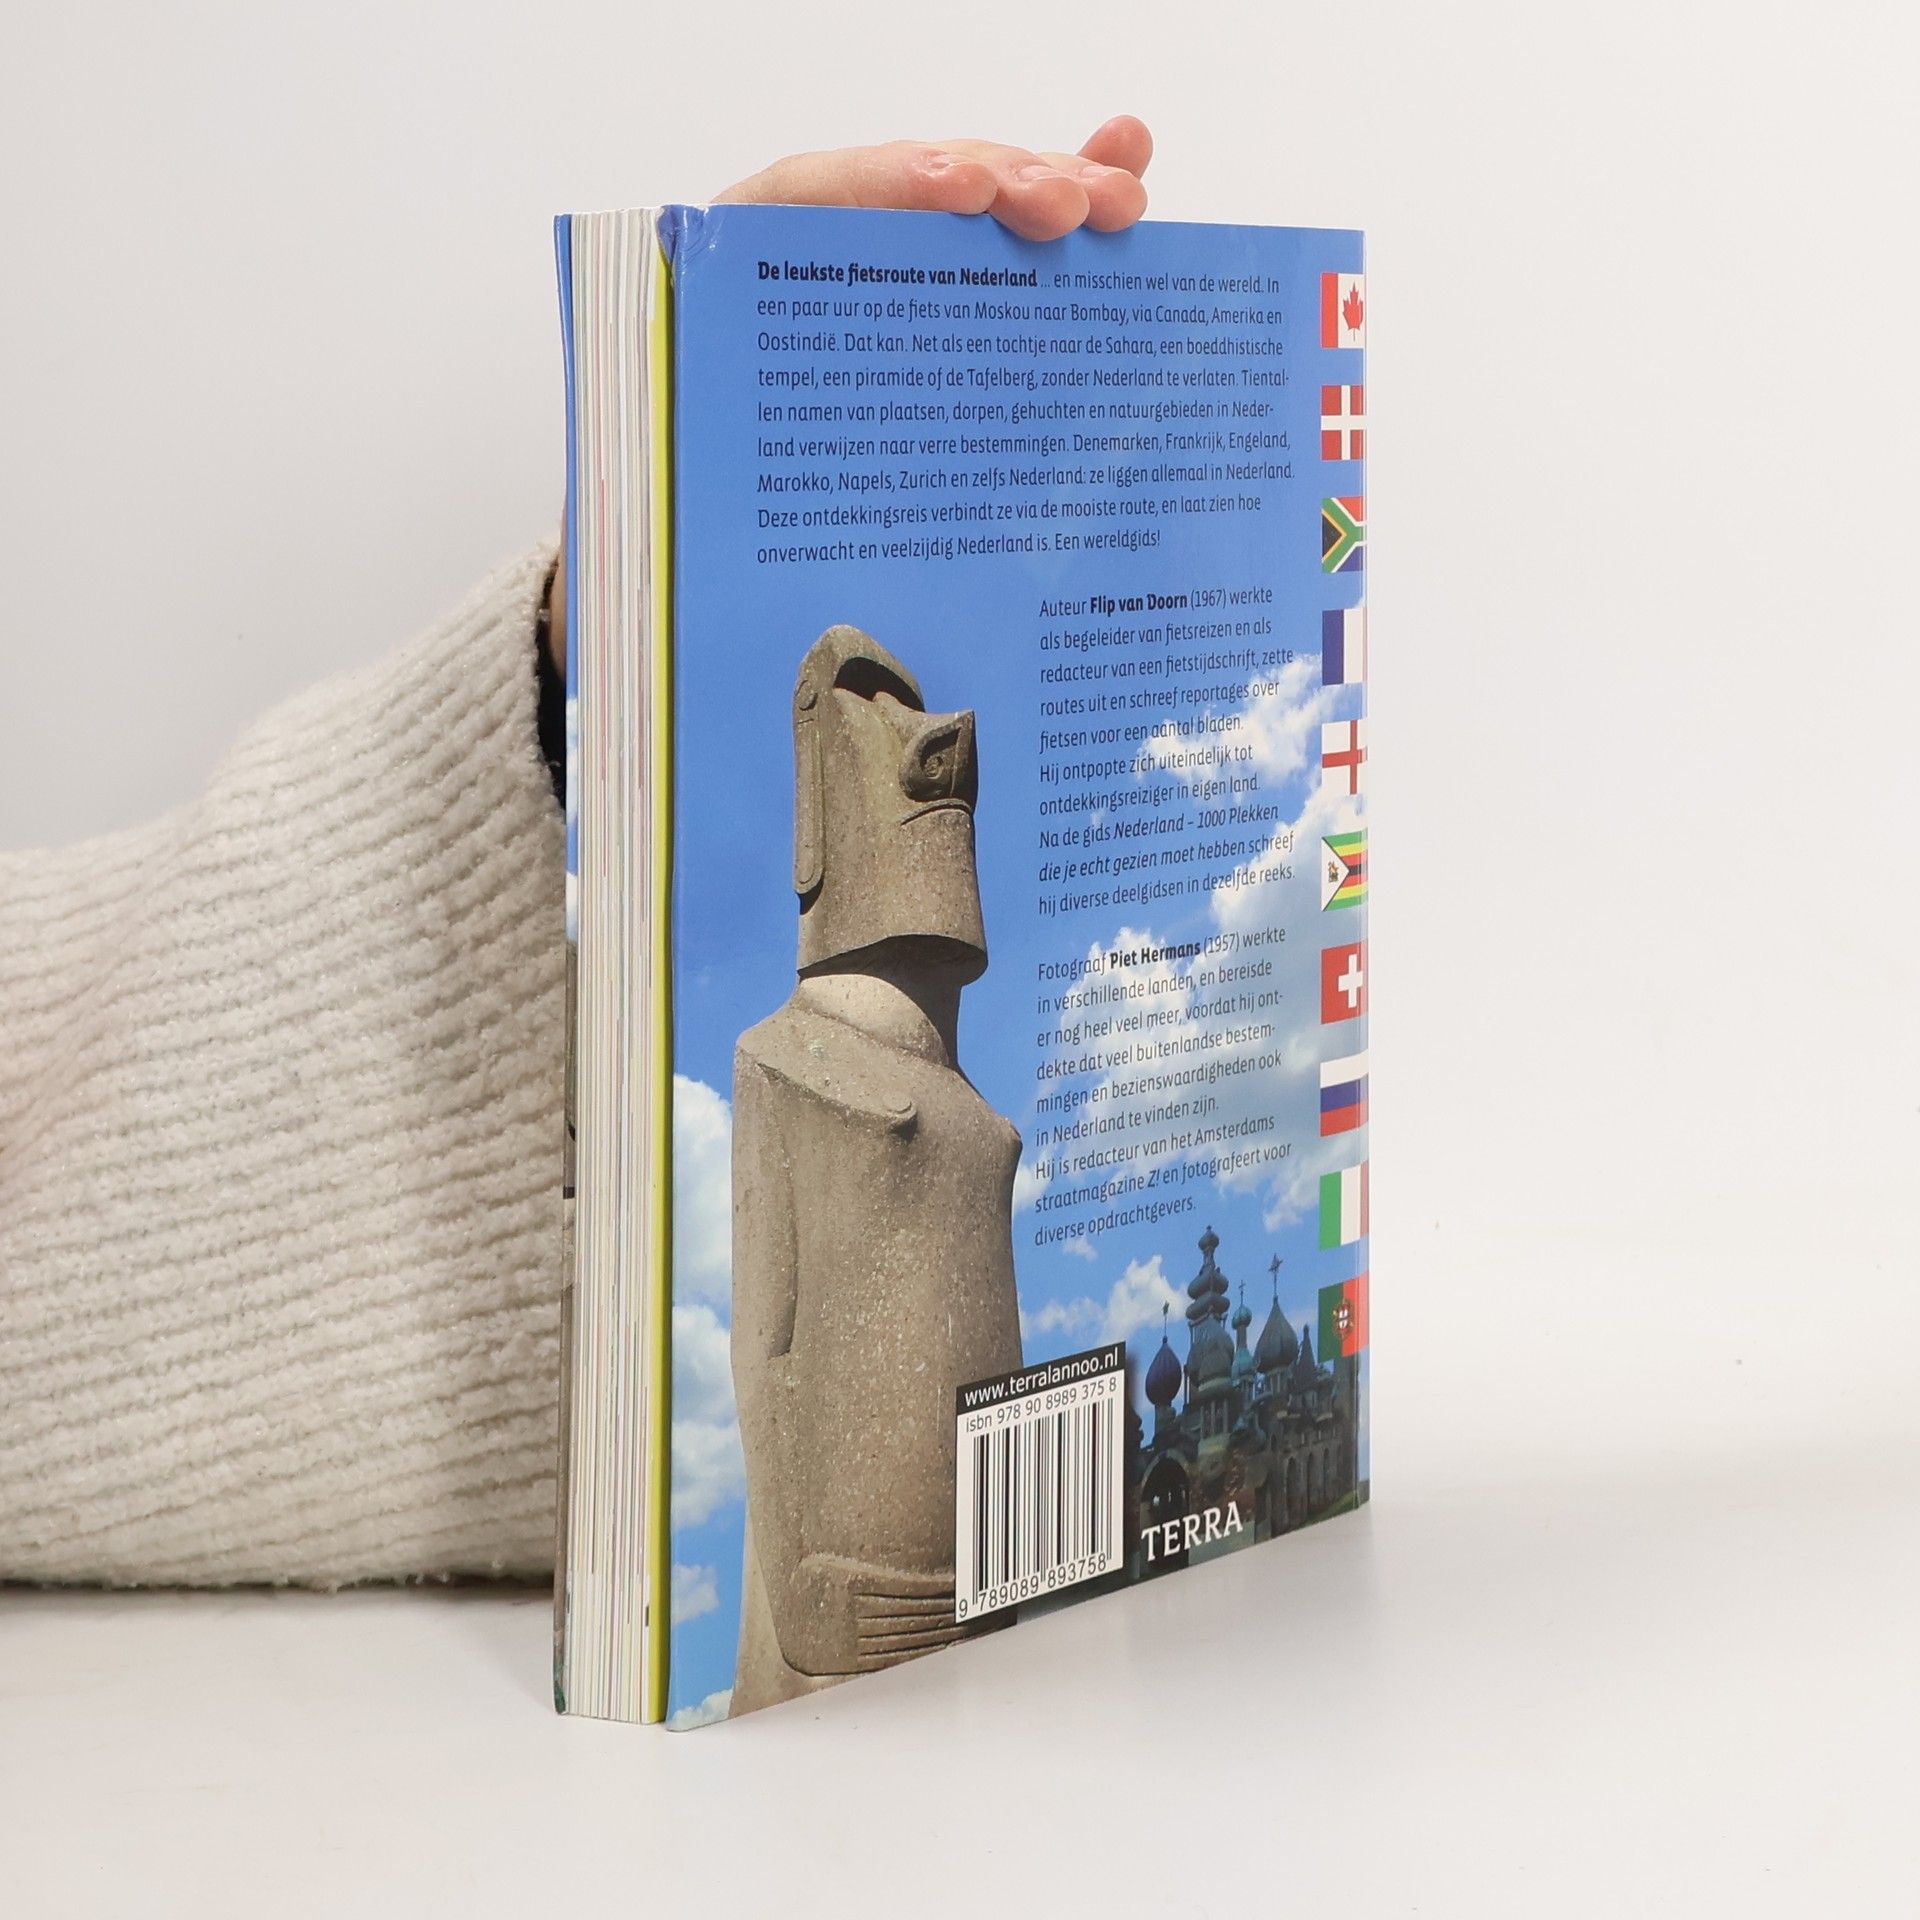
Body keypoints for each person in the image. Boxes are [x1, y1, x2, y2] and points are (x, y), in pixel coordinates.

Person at [0, 121, 1154, 1588]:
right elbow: (769, 1380)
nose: (943, 754)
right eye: (873, 714)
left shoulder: (965, 1100)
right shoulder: (788, 1067)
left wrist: (571, 721)